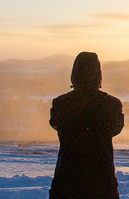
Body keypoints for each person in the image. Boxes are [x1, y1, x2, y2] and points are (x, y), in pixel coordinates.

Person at [49, 52, 124, 198]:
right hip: (102, 177)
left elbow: (55, 124)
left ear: (74, 73)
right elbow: (116, 128)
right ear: (98, 73)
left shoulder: (60, 103)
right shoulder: (112, 104)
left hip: (67, 177)